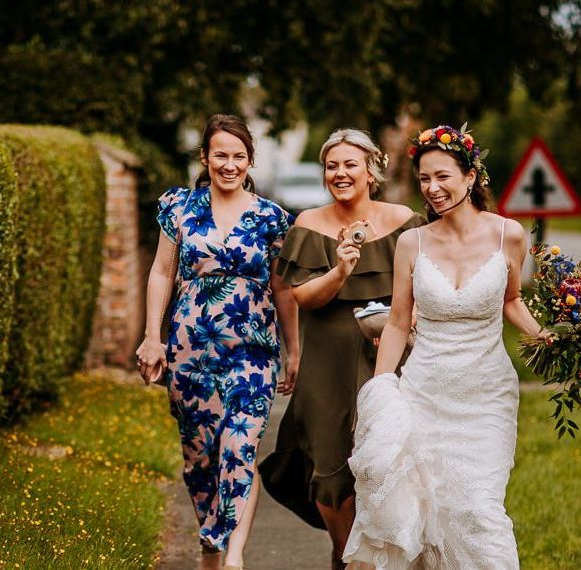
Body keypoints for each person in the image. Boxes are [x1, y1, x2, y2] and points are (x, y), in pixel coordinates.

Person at [343, 125, 550, 569]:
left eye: (443, 177)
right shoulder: (412, 242)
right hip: (425, 392)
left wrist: (545, 335)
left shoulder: (508, 235)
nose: (432, 189)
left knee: (478, 508)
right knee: (426, 513)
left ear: (471, 177)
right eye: (424, 179)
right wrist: (382, 389)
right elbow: (399, 322)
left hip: (486, 395)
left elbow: (511, 300)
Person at [136, 114, 299, 570]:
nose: (229, 165)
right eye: (220, 155)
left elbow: (282, 288)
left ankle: (236, 558)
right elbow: (161, 273)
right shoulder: (179, 208)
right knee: (200, 459)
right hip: (190, 351)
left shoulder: (271, 218)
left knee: (240, 447)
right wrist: (153, 338)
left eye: (239, 156)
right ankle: (211, 546)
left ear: (250, 161)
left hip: (253, 351)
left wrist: (295, 351)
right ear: (205, 158)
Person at [259, 129, 425, 569]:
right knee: (332, 464)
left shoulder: (405, 222)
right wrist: (341, 269)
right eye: (332, 166)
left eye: (350, 164)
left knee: (392, 462)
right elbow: (301, 296)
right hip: (326, 364)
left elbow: (422, 289)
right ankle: (343, 553)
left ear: (371, 171)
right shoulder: (309, 224)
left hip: (392, 359)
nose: (340, 173)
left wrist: (405, 327)